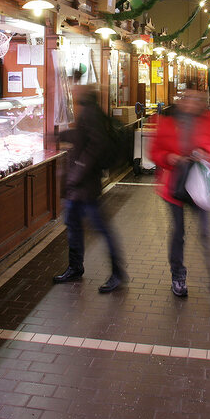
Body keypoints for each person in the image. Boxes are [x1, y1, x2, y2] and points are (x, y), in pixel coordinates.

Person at [150, 83, 210, 310]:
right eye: (188, 97)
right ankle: (178, 276)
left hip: (200, 187)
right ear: (181, 99)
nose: (192, 102)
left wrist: (208, 154)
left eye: (197, 99)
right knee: (178, 233)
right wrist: (170, 157)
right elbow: (155, 152)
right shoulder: (166, 122)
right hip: (173, 186)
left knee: (206, 235)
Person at [53, 84, 127, 293]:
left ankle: (118, 273)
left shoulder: (90, 114)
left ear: (83, 95)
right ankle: (75, 267)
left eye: (76, 90)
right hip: (78, 187)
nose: (73, 91)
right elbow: (83, 137)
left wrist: (77, 172)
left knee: (102, 228)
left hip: (86, 186)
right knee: (73, 225)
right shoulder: (88, 112)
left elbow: (96, 145)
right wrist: (60, 135)